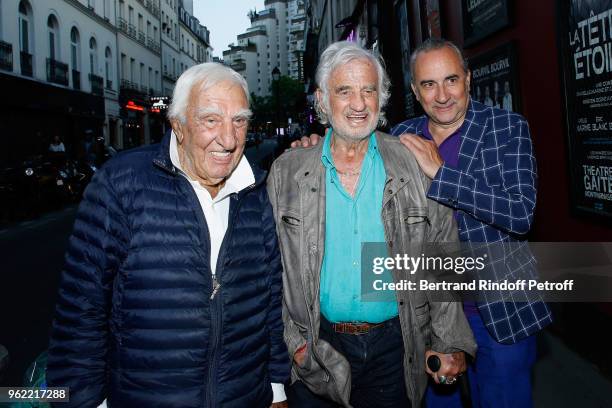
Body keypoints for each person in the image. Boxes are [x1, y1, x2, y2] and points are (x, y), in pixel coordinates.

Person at [292, 38, 551, 408]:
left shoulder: (507, 128)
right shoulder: (399, 138)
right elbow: (347, 157)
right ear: (415, 90)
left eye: (451, 80)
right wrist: (314, 147)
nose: (442, 95)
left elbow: (520, 213)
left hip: (496, 310)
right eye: (429, 84)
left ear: (468, 79)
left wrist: (442, 173)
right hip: (425, 313)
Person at [47, 63, 290, 408]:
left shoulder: (255, 190)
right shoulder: (120, 184)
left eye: (239, 120)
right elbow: (81, 311)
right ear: (178, 125)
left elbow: (269, 299)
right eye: (211, 120)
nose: (229, 139)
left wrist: (277, 389)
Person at [269, 41, 476, 408]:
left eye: (369, 90)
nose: (360, 103)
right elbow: (269, 269)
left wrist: (448, 342)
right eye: (344, 91)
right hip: (316, 348)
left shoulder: (415, 163)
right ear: (321, 99)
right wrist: (293, 345)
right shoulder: (287, 172)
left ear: (382, 98)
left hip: (394, 350)